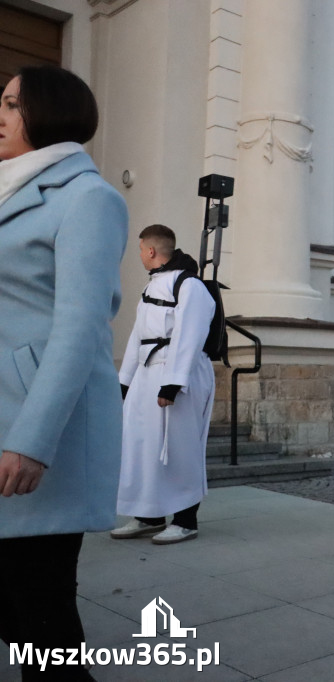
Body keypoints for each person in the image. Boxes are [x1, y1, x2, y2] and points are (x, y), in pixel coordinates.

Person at [0, 65, 128, 681]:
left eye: (12, 103)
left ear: (48, 112)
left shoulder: (88, 197)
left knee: (42, 617)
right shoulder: (8, 190)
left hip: (32, 427)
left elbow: (81, 326)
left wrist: (32, 439)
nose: (0, 114)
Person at [112, 224, 216, 545]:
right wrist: (124, 382)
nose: (140, 254)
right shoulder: (153, 286)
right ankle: (149, 514)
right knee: (142, 445)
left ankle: (186, 520)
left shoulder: (189, 285)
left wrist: (173, 384)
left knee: (179, 447)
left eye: (142, 249)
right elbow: (138, 339)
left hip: (177, 375)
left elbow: (190, 334)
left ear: (152, 251)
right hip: (147, 376)